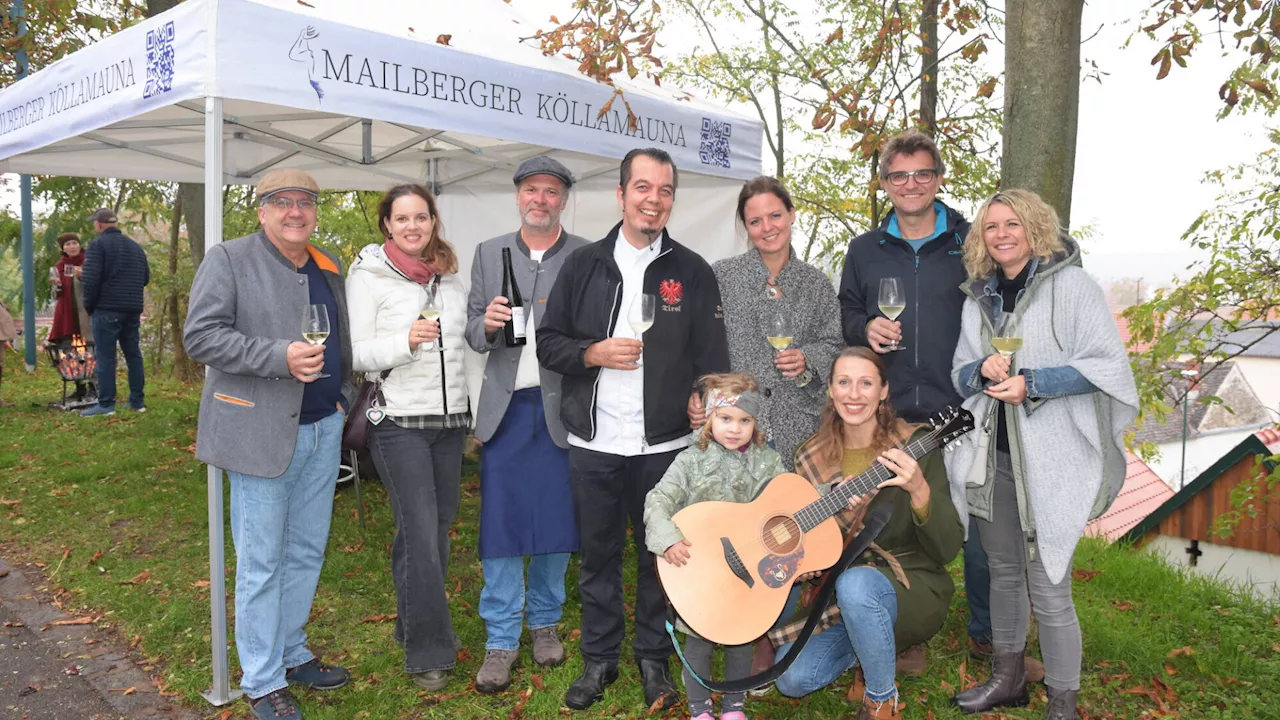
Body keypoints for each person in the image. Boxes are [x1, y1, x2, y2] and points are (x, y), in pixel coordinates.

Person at [537, 147, 730, 712]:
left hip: (665, 445)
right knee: (597, 556)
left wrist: (702, 400)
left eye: (665, 190)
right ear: (621, 195)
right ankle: (599, 658)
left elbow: (710, 357)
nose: (653, 199)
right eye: (642, 188)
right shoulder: (584, 264)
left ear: (673, 200)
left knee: (659, 555)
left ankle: (654, 658)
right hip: (595, 442)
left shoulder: (691, 271)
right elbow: (549, 343)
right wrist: (591, 351)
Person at [946, 190, 1138, 719]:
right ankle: (1007, 678)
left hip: (1051, 460)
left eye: (1013, 224)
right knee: (1004, 572)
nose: (1002, 234)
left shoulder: (1073, 288)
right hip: (994, 459)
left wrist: (1035, 382)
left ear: (1035, 228)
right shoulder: (978, 298)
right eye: (991, 227)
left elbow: (1106, 367)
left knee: (1050, 583)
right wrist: (981, 370)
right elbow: (960, 371)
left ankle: (1063, 700)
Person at [184, 169, 355, 720]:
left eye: (305, 201)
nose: (295, 211)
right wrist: (277, 356)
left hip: (323, 428)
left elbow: (343, 340)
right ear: (261, 211)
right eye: (282, 202)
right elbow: (201, 337)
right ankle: (261, 681)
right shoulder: (230, 259)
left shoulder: (327, 265)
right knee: (261, 561)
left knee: (306, 550)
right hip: (258, 433)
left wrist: (342, 398)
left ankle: (292, 652)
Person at [837, 130, 992, 665]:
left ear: (938, 179)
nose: (911, 184)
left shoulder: (972, 242)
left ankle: (989, 637)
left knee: (978, 526)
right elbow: (848, 314)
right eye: (899, 176)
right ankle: (901, 625)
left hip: (966, 409)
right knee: (894, 521)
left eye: (922, 173)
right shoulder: (864, 249)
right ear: (885, 184)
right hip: (896, 414)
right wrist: (867, 328)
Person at [768, 347, 963, 720]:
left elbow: (947, 549)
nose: (853, 394)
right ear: (830, 389)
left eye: (865, 383)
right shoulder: (809, 456)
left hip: (910, 585)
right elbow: (807, 543)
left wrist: (919, 487)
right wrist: (804, 564)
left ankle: (881, 699)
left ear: (884, 391)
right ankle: (873, 647)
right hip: (836, 591)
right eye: (844, 382)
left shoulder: (914, 446)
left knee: (858, 585)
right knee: (791, 679)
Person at [465, 157, 587, 693]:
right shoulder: (489, 252)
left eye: (552, 191)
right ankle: (499, 638)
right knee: (503, 528)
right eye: (532, 190)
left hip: (564, 411)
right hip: (506, 410)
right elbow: (471, 330)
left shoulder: (586, 256)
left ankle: (544, 622)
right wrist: (486, 325)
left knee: (556, 527)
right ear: (518, 197)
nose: (541, 198)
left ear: (563, 199)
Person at [346, 184, 470, 692]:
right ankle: (429, 651)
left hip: (450, 422)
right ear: (387, 226)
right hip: (397, 421)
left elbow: (464, 349)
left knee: (431, 535)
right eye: (403, 219)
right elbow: (355, 354)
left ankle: (408, 623)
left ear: (433, 221)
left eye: (422, 217)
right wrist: (405, 341)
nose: (413, 226)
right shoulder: (368, 276)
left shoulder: (450, 276)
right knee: (421, 535)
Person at [644, 372, 786, 720]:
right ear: (709, 417)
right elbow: (658, 500)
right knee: (698, 642)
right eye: (725, 418)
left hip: (746, 573)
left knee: (741, 639)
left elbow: (788, 501)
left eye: (744, 420)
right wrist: (668, 539)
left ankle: (734, 706)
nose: (734, 428)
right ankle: (699, 708)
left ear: (756, 422)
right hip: (701, 572)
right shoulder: (690, 461)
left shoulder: (767, 462)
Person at [707, 176, 843, 470]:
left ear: (792, 214)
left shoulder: (817, 285)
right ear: (746, 227)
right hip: (736, 430)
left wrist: (807, 359)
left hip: (799, 432)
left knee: (791, 513)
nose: (767, 228)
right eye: (755, 221)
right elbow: (701, 345)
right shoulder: (721, 278)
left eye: (775, 215)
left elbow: (835, 345)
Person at [79, 208, 149, 417]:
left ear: (99, 225)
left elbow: (91, 280)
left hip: (107, 309)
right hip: (132, 309)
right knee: (133, 354)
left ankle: (106, 404)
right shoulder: (135, 247)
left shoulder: (97, 246)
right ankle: (137, 402)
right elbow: (145, 277)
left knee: (106, 357)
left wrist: (89, 306)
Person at [48, 232, 94, 401]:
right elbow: (55, 296)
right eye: (67, 244)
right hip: (66, 314)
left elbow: (98, 284)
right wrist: (56, 286)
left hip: (86, 313)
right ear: (63, 249)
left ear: (79, 245)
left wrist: (83, 276)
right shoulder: (58, 267)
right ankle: (79, 387)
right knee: (70, 352)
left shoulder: (89, 262)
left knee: (90, 350)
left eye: (74, 243)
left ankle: (94, 387)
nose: (72, 246)